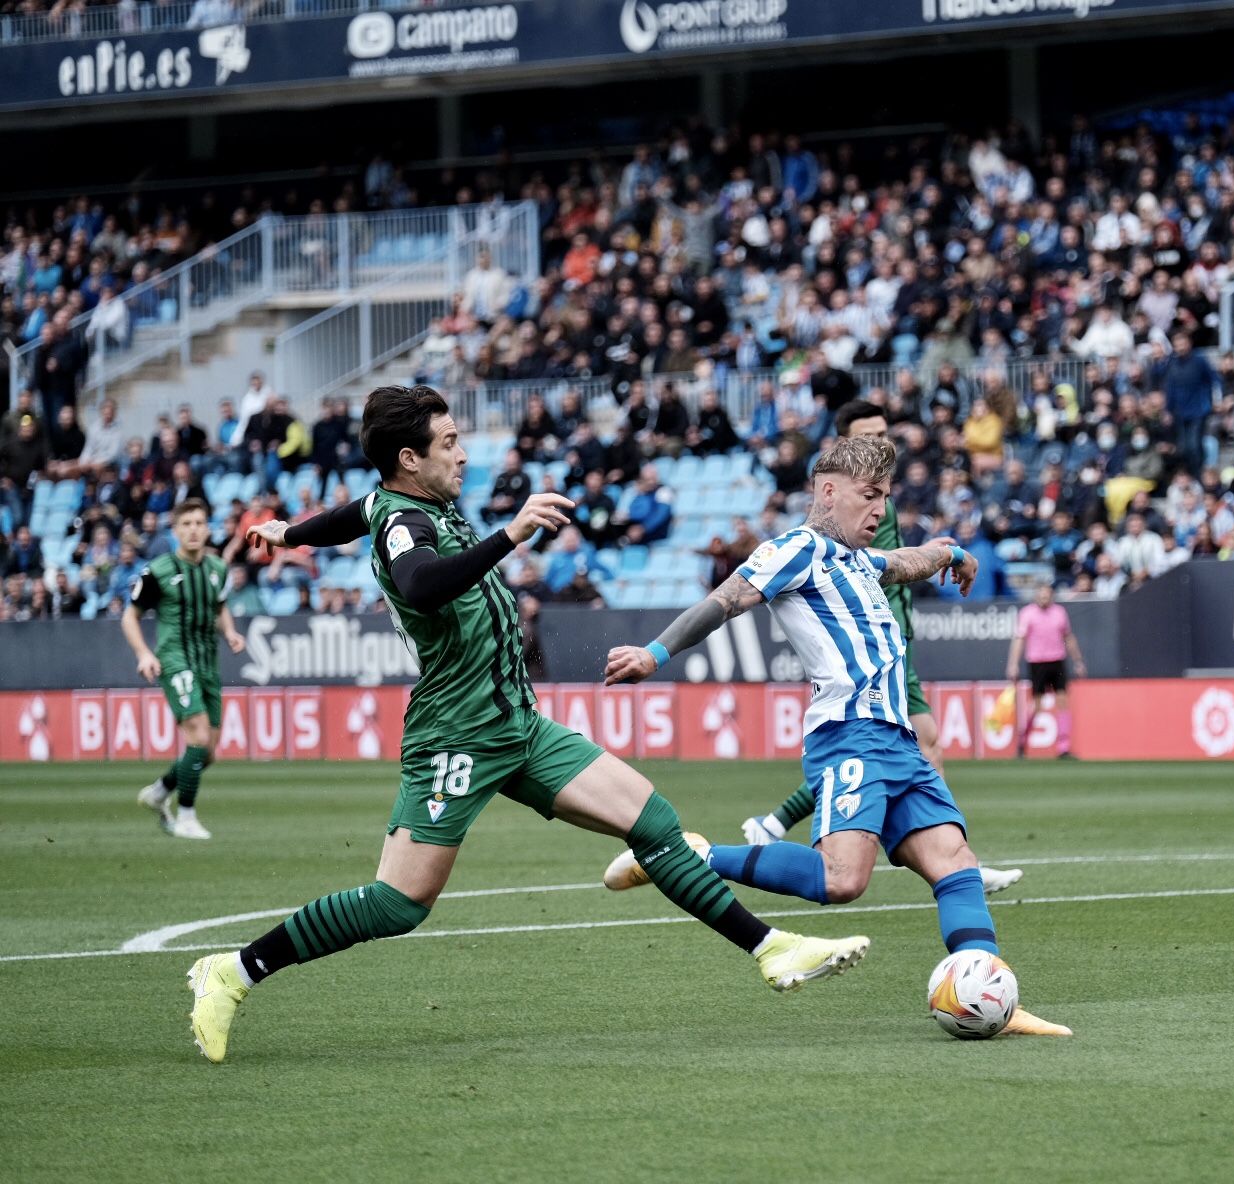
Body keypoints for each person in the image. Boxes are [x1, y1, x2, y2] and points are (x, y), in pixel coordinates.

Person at [185, 387, 867, 1065]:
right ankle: (233, 973)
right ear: (408, 458)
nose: (461, 452)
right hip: (456, 733)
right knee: (399, 904)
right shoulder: (404, 523)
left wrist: (289, 531)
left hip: (516, 722)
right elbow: (422, 583)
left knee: (653, 822)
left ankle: (772, 949)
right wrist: (509, 533)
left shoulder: (405, 501)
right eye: (448, 443)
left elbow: (350, 513)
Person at [602, 433, 1069, 1037]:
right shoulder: (795, 549)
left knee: (955, 862)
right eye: (869, 496)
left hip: (898, 740)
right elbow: (725, 600)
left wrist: (949, 555)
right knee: (842, 880)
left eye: (886, 497)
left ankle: (989, 994)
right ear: (828, 491)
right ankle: (695, 856)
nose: (880, 510)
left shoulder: (857, 560)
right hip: (850, 735)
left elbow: (905, 562)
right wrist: (654, 653)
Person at [735, 401, 1023, 895]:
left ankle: (945, 854)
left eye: (886, 431)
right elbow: (866, 566)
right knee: (911, 740)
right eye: (869, 434)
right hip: (866, 643)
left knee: (898, 743)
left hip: (894, 637)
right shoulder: (840, 508)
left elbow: (891, 559)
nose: (882, 440)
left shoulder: (877, 498)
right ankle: (943, 854)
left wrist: (942, 552)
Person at [122, 498, 247, 840]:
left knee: (207, 752)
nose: (193, 529)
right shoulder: (158, 571)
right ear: (176, 531)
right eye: (186, 524)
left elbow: (219, 607)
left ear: (208, 529)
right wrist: (144, 654)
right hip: (175, 659)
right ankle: (187, 816)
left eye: (199, 523)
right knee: (198, 735)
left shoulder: (218, 569)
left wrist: (231, 632)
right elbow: (130, 617)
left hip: (208, 662)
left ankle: (161, 791)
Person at [1006, 580, 1087, 758]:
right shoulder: (1027, 614)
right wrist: (1013, 664)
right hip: (1037, 662)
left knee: (1063, 702)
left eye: (1047, 595)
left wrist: (1078, 660)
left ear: (1051, 596)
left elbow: (1069, 637)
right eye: (1041, 595)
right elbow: (1019, 640)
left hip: (1057, 660)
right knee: (1037, 706)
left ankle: (1064, 747)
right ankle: (1022, 741)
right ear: (1036, 596)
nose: (1044, 598)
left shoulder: (1059, 612)